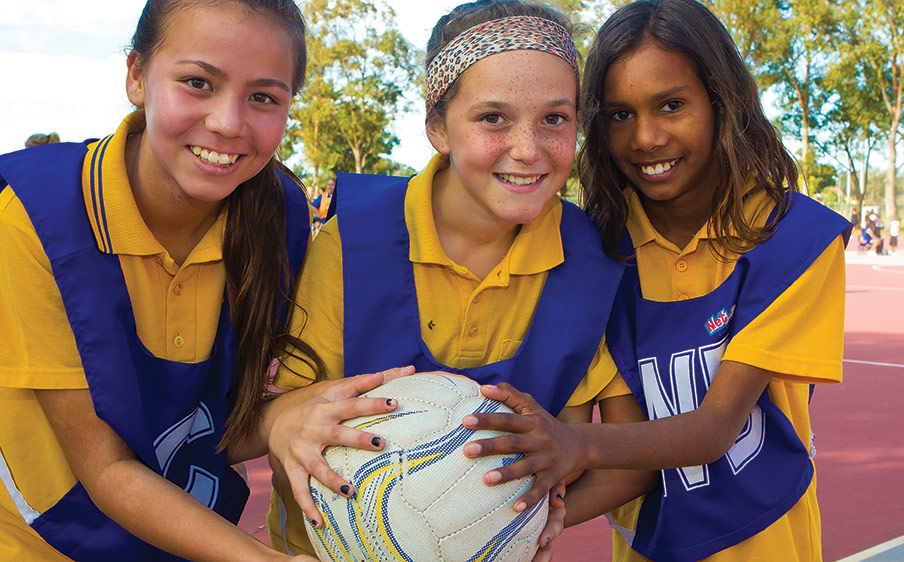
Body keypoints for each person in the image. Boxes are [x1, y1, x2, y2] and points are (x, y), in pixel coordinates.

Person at [0, 1, 397, 560]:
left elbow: (217, 427)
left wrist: (293, 420)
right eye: (198, 82)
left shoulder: (276, 216)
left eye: (263, 97)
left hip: (178, 530)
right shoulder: (34, 218)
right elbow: (106, 467)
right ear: (137, 76)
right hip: (31, 537)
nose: (228, 122)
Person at [463, 1, 852, 560]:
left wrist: (576, 443)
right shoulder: (596, 254)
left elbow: (715, 429)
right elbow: (632, 465)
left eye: (671, 105)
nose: (645, 137)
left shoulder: (795, 239)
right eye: (620, 114)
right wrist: (495, 526)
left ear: (723, 102)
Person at [264, 1, 653, 559]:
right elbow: (279, 417)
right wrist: (288, 432)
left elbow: (617, 461)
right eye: (493, 117)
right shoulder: (351, 243)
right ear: (437, 128)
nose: (528, 148)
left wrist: (508, 524)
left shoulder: (593, 260)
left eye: (555, 118)